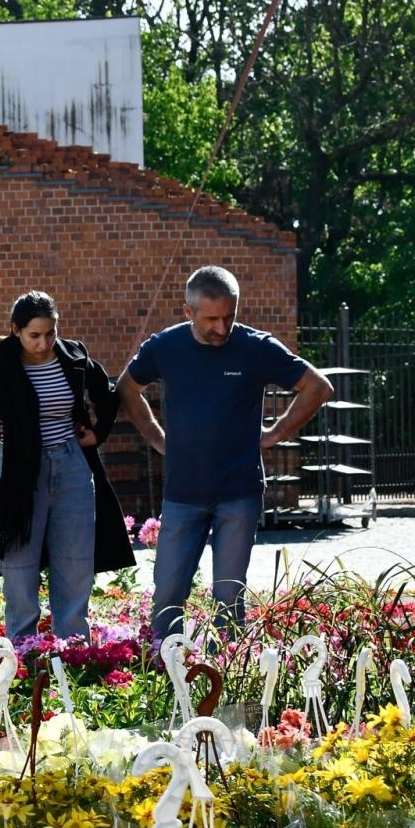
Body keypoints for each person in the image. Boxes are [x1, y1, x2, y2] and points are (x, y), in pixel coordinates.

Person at [119, 266, 332, 638]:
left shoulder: (257, 347)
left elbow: (317, 386)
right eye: (211, 319)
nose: (221, 328)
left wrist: (277, 432)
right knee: (168, 593)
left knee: (229, 597)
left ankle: (230, 682)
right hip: (183, 494)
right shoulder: (165, 347)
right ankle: (166, 674)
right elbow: (127, 387)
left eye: (229, 317)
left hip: (239, 493)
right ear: (188, 312)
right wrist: (155, 436)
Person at [0, 291, 134, 640]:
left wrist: (98, 432)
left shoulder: (73, 355)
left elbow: (107, 393)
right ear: (16, 330)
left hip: (71, 466)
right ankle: (23, 646)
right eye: (34, 335)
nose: (44, 342)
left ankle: (73, 644)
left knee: (76, 561)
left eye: (50, 333)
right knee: (20, 563)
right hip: (18, 471)